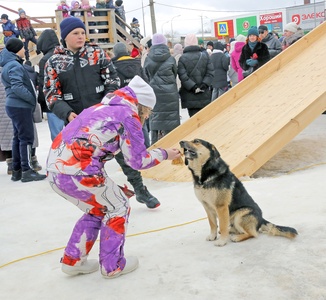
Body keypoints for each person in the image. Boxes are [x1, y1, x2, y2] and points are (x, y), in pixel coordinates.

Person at [47, 75, 181, 278]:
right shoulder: (128, 115)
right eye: (148, 112)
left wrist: (111, 190)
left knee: (98, 207)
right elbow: (138, 161)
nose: (147, 116)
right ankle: (112, 265)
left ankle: (73, 260)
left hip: (55, 169)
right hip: (79, 170)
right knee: (118, 206)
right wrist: (165, 154)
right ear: (142, 106)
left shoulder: (101, 108)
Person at [44, 17, 160, 209]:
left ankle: (140, 190)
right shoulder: (54, 62)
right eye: (75, 33)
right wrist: (67, 113)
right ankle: (101, 197)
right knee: (88, 162)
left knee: (123, 152)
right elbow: (51, 93)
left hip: (105, 118)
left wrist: (107, 104)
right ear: (65, 37)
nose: (81, 36)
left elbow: (112, 79)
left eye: (82, 32)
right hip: (78, 121)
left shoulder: (96, 54)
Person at [0, 38, 46, 182]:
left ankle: (17, 170)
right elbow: (17, 86)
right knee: (26, 138)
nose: (24, 50)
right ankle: (27, 170)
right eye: (22, 48)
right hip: (20, 105)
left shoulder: (8, 64)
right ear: (16, 50)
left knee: (17, 137)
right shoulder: (14, 65)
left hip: (13, 105)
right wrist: (32, 99)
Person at [144, 33, 180, 144]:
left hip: (154, 95)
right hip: (170, 94)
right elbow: (174, 74)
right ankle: (173, 146)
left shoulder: (147, 58)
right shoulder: (170, 58)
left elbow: (146, 76)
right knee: (171, 121)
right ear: (165, 43)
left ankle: (155, 149)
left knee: (155, 121)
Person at [112, 42, 150, 147]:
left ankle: (130, 153)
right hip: (139, 101)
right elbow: (145, 82)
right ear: (126, 51)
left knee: (125, 130)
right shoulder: (137, 63)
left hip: (122, 103)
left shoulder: (113, 67)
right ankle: (146, 149)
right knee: (142, 127)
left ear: (115, 53)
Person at [36, 29, 64, 141]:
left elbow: (44, 84)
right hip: (71, 101)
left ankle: (60, 157)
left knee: (58, 137)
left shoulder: (45, 59)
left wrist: (41, 101)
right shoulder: (64, 53)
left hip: (53, 103)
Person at [177, 33, 214, 117]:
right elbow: (210, 72)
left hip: (190, 95)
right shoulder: (205, 56)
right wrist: (203, 85)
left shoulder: (182, 58)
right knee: (205, 119)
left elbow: (183, 76)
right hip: (204, 94)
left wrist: (193, 87)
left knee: (194, 120)